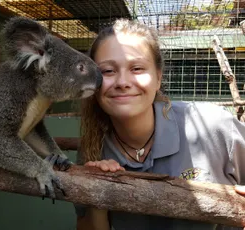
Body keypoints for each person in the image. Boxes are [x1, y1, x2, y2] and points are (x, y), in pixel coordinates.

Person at [74, 18, 245, 230]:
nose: (122, 82)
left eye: (137, 68)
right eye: (108, 71)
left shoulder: (213, 127)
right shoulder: (92, 149)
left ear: (158, 78)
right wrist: (97, 194)